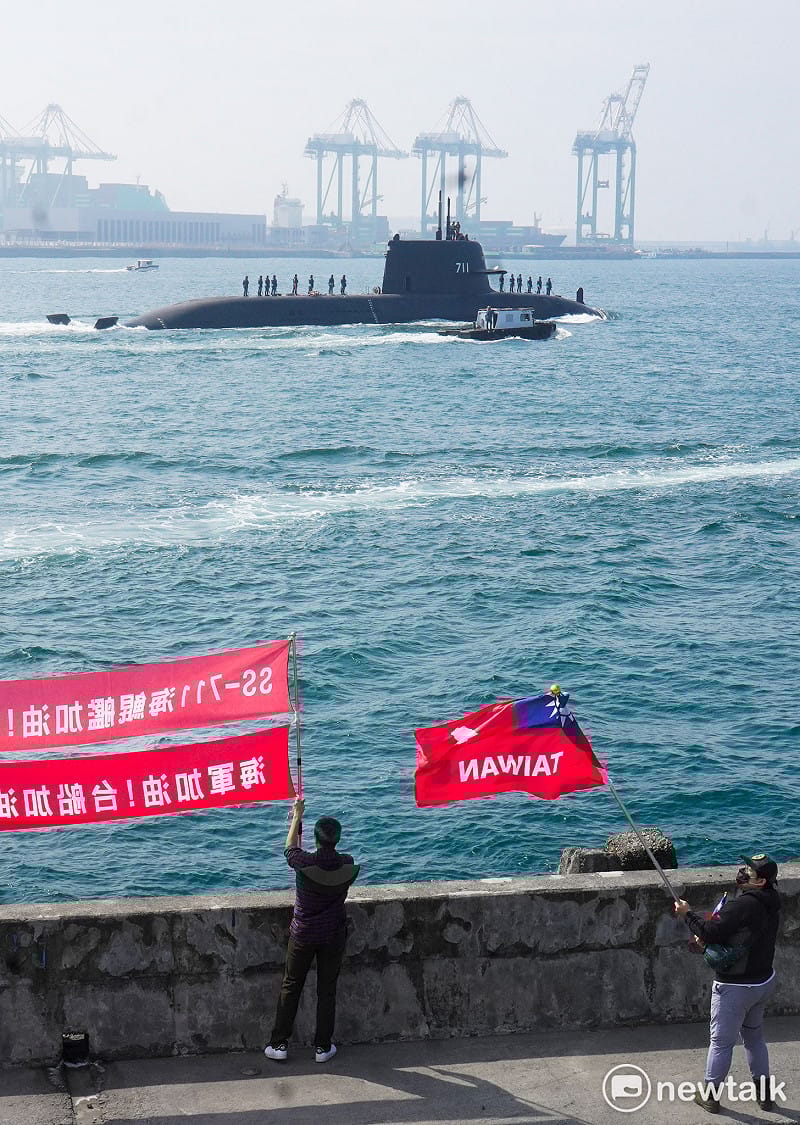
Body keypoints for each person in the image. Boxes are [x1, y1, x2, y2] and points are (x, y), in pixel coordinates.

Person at [674, 853, 781, 1114]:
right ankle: (765, 1096)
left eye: (750, 872)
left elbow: (710, 932)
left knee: (721, 1043)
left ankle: (710, 1096)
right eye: (745, 866)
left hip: (735, 988)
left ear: (760, 882)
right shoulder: (773, 900)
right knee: (754, 1037)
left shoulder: (744, 905)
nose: (743, 872)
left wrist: (687, 914)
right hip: (762, 981)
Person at [264, 797, 359, 1064]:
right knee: (327, 989)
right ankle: (322, 1047)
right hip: (333, 934)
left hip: (304, 933)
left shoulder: (304, 863)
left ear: (316, 840)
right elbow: (328, 859)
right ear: (336, 840)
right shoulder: (347, 863)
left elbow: (288, 848)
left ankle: (279, 1044)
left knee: (291, 985)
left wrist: (296, 815)